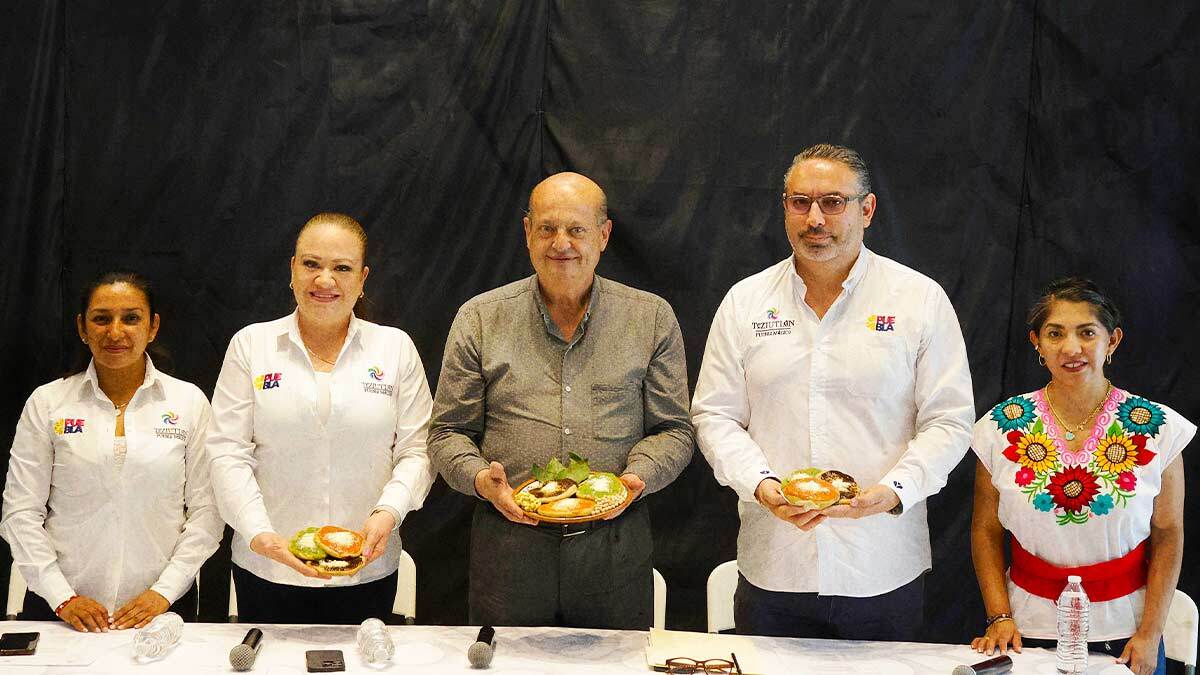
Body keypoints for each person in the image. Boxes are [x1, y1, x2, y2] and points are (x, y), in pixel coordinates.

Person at [691, 143, 975, 640]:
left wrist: (893, 492)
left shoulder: (918, 299)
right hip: (774, 564)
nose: (815, 219)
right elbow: (715, 415)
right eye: (800, 202)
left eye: (833, 202)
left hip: (881, 564)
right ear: (785, 208)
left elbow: (949, 420)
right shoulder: (745, 302)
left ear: (867, 209)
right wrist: (760, 485)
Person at [428, 172, 694, 629]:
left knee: (614, 664)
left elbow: (675, 430)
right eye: (547, 228)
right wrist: (479, 479)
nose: (561, 243)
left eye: (576, 229)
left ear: (604, 235)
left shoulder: (650, 318)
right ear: (527, 232)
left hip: (614, 549)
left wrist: (639, 475)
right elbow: (447, 432)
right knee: (510, 663)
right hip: (508, 551)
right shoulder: (480, 318)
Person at [207, 212, 434, 624]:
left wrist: (390, 511)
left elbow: (417, 450)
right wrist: (259, 533)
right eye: (311, 264)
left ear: (362, 279)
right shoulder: (251, 345)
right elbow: (227, 452)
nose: (324, 280)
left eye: (342, 268)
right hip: (267, 568)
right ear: (292, 269)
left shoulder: (395, 349)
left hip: (367, 570)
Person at [969, 277, 1190, 675]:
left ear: (1113, 340)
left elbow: (1168, 533)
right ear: (1037, 342)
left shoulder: (1158, 428)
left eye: (1087, 333)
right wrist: (999, 616)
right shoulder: (1001, 427)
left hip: (1129, 630)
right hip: (1025, 628)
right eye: (1055, 334)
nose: (1071, 348)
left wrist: (1151, 632)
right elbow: (985, 529)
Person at [1, 272, 223, 632]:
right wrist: (62, 597)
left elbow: (208, 513)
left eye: (131, 318)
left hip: (160, 609)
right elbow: (20, 512)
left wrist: (164, 592)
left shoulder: (188, 402)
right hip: (63, 611)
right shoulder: (48, 403)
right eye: (101, 319)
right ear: (82, 327)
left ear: (152, 327)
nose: (115, 332)